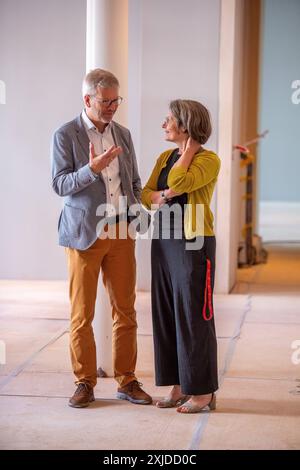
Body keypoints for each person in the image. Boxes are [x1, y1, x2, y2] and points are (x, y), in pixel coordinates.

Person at [51, 68, 152, 408]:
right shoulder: (66, 135)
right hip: (84, 235)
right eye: (105, 102)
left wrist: (139, 215)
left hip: (121, 233)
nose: (112, 108)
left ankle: (127, 380)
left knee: (126, 310)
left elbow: (134, 181)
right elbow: (60, 184)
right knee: (82, 314)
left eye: (116, 101)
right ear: (87, 99)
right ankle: (84, 382)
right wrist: (91, 169)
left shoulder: (123, 133)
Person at [141, 99, 220, 413]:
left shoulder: (209, 159)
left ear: (185, 126)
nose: (163, 124)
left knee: (194, 315)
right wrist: (160, 196)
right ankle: (178, 384)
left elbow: (179, 182)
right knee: (167, 314)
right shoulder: (164, 157)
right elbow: (146, 194)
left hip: (193, 242)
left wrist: (189, 148)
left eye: (169, 120)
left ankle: (202, 391)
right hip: (163, 242)